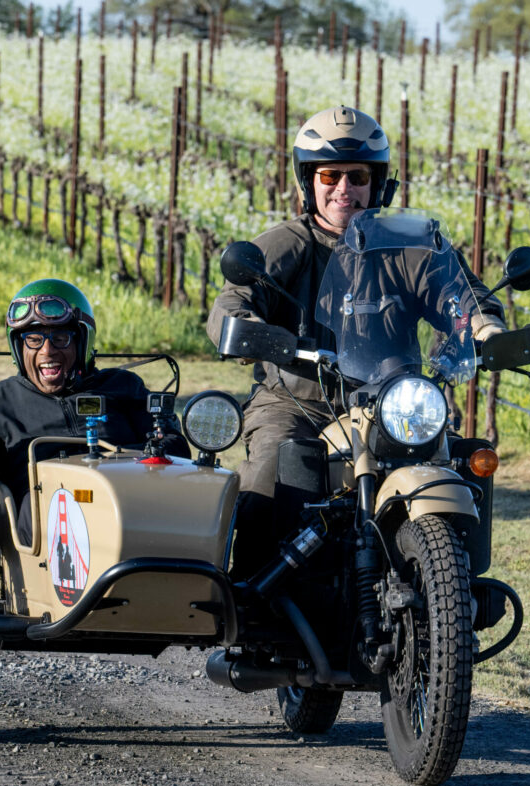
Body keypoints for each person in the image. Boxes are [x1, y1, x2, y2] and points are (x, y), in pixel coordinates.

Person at [205, 105, 507, 571]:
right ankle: (250, 610)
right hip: (296, 401)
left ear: (377, 183)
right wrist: (253, 332)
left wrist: (482, 324)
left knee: (458, 468)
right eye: (330, 176)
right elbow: (232, 302)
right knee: (269, 477)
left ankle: (456, 591)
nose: (343, 189)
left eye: (357, 177)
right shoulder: (287, 243)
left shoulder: (409, 245)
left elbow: (458, 291)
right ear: (309, 182)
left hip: (391, 402)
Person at [0, 279, 187, 530]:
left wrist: (122, 457)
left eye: (60, 338)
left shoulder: (123, 386)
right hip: (46, 537)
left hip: (132, 515)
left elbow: (176, 448)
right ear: (18, 348)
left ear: (83, 342)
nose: (47, 351)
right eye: (34, 339)